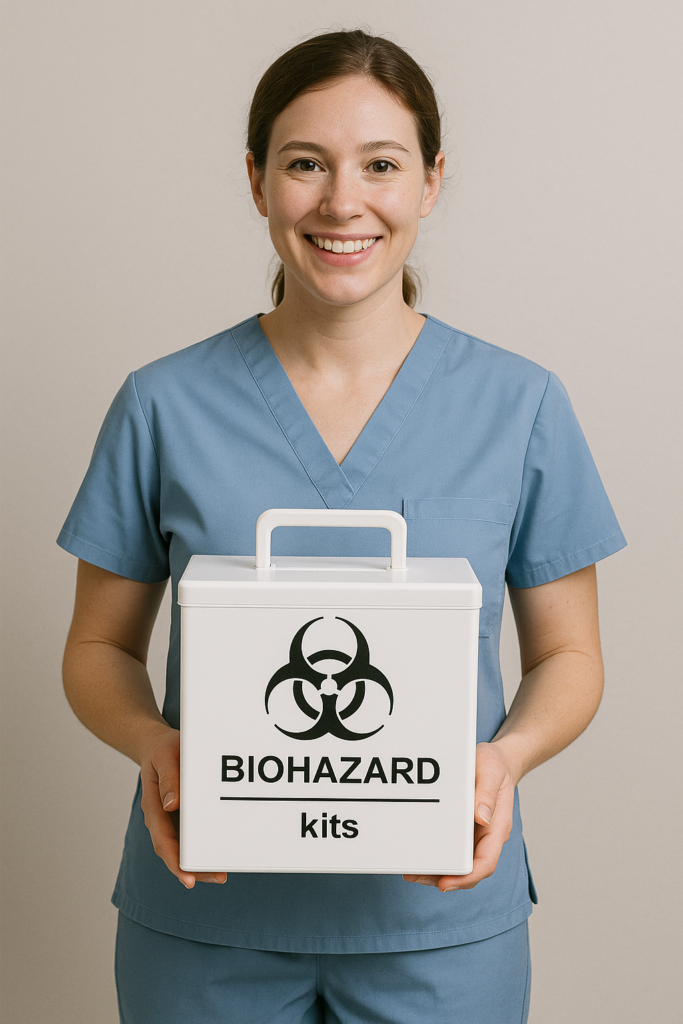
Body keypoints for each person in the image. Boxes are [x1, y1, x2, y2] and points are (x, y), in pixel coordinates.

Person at [59, 28, 626, 1024]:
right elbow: (98, 647)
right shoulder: (162, 404)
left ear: (430, 181)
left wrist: (503, 758)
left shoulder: (519, 404)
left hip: (435, 922)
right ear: (255, 179)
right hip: (207, 919)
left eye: (380, 165)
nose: (341, 202)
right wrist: (154, 741)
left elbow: (570, 657)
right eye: (304, 164)